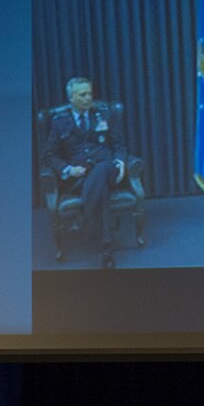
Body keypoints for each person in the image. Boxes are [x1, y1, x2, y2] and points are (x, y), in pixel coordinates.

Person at [44, 76, 129, 269]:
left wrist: (120, 161)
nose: (88, 98)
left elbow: (119, 144)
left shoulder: (103, 115)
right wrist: (68, 169)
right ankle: (106, 250)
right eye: (82, 94)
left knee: (101, 169)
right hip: (79, 177)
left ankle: (84, 214)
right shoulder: (59, 123)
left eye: (90, 93)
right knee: (102, 193)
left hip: (107, 168)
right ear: (71, 98)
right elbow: (49, 156)